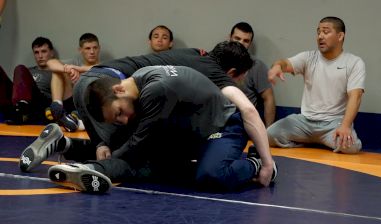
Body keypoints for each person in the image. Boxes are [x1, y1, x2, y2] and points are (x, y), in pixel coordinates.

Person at [19, 41, 276, 191]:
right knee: (139, 156)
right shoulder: (159, 85)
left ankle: (67, 145)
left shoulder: (180, 62)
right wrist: (267, 162)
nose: (238, 83)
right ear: (231, 72)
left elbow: (248, 110)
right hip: (109, 87)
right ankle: (92, 168)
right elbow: (249, 109)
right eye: (239, 79)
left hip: (91, 83)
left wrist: (265, 163)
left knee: (128, 146)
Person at [267, 16, 366, 154]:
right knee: (270, 135)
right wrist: (277, 66)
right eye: (318, 32)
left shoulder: (354, 62)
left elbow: (356, 96)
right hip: (305, 122)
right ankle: (305, 141)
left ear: (340, 36)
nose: (320, 36)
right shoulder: (308, 57)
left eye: (325, 32)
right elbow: (285, 63)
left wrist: (345, 125)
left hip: (333, 123)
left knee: (351, 147)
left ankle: (321, 140)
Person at [46, 33, 101, 132]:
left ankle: (75, 121)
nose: (92, 52)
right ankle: (57, 107)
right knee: (57, 72)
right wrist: (68, 70)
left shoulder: (104, 66)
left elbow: (98, 69)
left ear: (99, 48)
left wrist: (79, 69)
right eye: (88, 48)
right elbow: (51, 62)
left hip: (89, 104)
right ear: (80, 50)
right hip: (70, 101)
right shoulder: (74, 62)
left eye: (95, 48)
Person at [229, 22, 276, 127]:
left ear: (250, 43)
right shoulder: (216, 60)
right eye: (237, 38)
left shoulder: (257, 66)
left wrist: (268, 132)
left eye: (246, 41)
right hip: (217, 118)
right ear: (230, 38)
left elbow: (268, 98)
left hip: (242, 121)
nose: (241, 43)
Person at [0, 37, 55, 124]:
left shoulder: (55, 72)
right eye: (36, 52)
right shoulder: (27, 71)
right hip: (17, 103)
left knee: (20, 68)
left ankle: (21, 110)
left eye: (44, 51)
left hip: (40, 102)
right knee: (18, 69)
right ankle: (19, 109)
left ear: (51, 53)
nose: (40, 56)